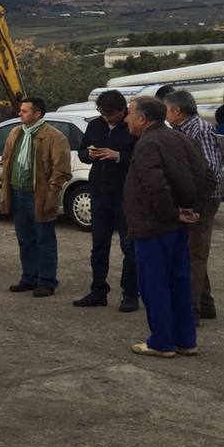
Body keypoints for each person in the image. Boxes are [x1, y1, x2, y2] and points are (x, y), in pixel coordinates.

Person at [124, 97, 212, 358]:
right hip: (176, 225)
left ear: (142, 118)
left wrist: (172, 211)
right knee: (179, 282)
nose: (127, 119)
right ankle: (186, 341)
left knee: (155, 285)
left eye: (130, 114)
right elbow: (205, 173)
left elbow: (155, 185)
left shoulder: (148, 143)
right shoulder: (181, 138)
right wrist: (191, 207)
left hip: (154, 226)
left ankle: (161, 342)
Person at [73, 90, 139, 312]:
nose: (106, 118)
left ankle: (130, 294)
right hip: (99, 193)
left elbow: (142, 157)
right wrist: (88, 154)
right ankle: (98, 291)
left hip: (124, 195)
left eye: (110, 114)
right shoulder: (95, 125)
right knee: (98, 246)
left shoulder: (134, 125)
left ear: (122, 110)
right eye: (102, 113)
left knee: (129, 247)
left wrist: (118, 156)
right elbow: (81, 150)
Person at [0, 97, 72, 297]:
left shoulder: (54, 137)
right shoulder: (16, 133)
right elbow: (6, 160)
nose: (19, 114)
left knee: (44, 239)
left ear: (37, 114)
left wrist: (52, 193)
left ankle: (47, 281)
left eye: (24, 111)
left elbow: (62, 170)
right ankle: (29, 277)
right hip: (17, 192)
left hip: (38, 195)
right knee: (25, 239)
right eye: (20, 110)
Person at [164, 90, 223, 322]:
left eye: (167, 109)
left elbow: (210, 171)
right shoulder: (181, 131)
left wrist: (195, 203)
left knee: (194, 254)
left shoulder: (201, 130)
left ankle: (190, 312)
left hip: (202, 200)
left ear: (177, 111)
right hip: (191, 198)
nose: (166, 114)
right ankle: (206, 304)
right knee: (192, 251)